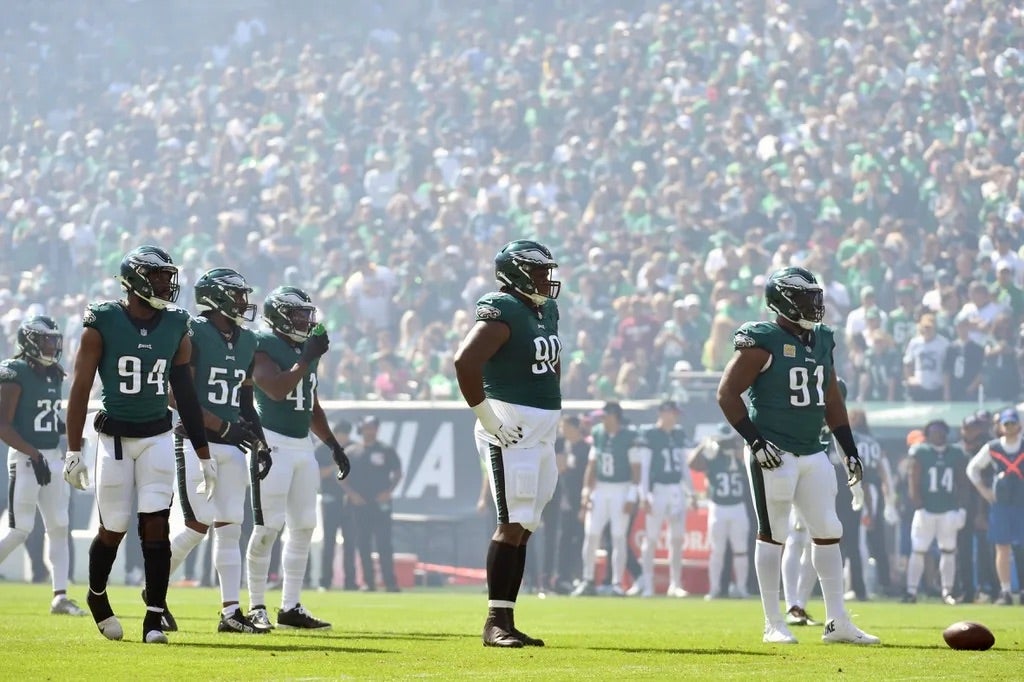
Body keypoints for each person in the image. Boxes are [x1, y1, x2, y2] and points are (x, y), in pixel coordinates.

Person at [716, 266, 879, 645]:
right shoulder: (762, 339)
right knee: (774, 534)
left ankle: (837, 621)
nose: (815, 305)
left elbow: (832, 398)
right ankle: (774, 622)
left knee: (829, 530)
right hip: (775, 450)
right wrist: (755, 443)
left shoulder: (821, 339)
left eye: (816, 297)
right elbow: (726, 393)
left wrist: (849, 449)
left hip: (813, 450)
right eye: (805, 298)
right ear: (783, 301)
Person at [63, 246, 214, 644]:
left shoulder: (178, 324)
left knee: (156, 526)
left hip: (158, 436)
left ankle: (153, 617)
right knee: (113, 528)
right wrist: (73, 448)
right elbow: (80, 388)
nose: (167, 282)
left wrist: (203, 451)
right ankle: (97, 597)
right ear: (133, 280)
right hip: (113, 437)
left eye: (169, 275)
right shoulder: (104, 320)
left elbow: (184, 391)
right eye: (157, 275)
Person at [453, 239, 562, 648]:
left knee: (527, 523)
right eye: (538, 271)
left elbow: (552, 362)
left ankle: (507, 619)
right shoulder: (504, 309)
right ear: (515, 272)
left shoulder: (544, 309)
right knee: (511, 522)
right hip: (510, 423)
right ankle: (495, 622)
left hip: (541, 425)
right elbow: (465, 361)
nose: (546, 279)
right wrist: (487, 418)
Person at [161, 268, 272, 634]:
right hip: (197, 441)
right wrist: (221, 426)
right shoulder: (193, 331)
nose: (243, 301)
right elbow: (178, 394)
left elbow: (244, 399)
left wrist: (260, 441)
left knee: (230, 528)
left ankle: (230, 613)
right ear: (216, 297)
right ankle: (154, 593)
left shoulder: (247, 340)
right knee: (196, 526)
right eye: (237, 295)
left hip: (231, 443)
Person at [246, 285, 350, 630]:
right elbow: (274, 389)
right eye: (298, 313)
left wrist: (332, 443)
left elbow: (310, 401)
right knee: (267, 527)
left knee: (304, 525)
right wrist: (306, 358)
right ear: (278, 316)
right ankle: (256, 606)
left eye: (308, 313)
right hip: (272, 441)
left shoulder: (306, 351)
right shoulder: (263, 344)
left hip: (302, 444)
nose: (306, 319)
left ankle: (290, 606)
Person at [0, 316, 86, 616]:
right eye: (46, 340)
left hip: (51, 457)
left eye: (54, 339)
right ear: (30, 341)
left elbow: (50, 422)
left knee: (59, 526)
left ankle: (60, 596)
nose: (52, 345)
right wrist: (33, 453)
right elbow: (3, 425)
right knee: (20, 529)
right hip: (26, 458)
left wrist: (75, 437)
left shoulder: (53, 374)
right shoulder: (15, 371)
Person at [571, 401, 641, 598]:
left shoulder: (629, 436)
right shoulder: (598, 433)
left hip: (621, 487)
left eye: (605, 415)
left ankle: (618, 582)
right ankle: (588, 579)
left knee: (619, 537)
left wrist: (632, 494)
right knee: (592, 534)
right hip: (601, 488)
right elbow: (592, 465)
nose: (601, 419)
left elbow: (636, 468)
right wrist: (586, 491)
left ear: (614, 416)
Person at [901, 419, 968, 605]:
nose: (937, 434)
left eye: (940, 431)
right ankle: (911, 591)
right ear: (928, 434)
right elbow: (913, 478)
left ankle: (947, 592)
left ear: (946, 434)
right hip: (926, 509)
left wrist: (961, 508)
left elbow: (962, 482)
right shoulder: (920, 452)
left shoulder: (956, 453)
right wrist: (918, 505)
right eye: (933, 431)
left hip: (948, 509)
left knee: (948, 551)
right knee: (918, 550)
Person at [634, 399, 693, 598]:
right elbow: (645, 467)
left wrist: (691, 491)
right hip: (657, 489)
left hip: (676, 489)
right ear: (664, 413)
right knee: (651, 538)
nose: (675, 418)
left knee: (676, 539)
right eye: (673, 413)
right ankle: (648, 584)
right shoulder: (650, 435)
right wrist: (644, 495)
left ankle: (675, 584)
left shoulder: (678, 434)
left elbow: (684, 466)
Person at [966, 408, 1024, 606]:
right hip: (1002, 504)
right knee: (1002, 547)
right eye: (1006, 424)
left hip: (1021, 502)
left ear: (1019, 425)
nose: (1009, 427)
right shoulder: (993, 448)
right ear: (1000, 427)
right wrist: (985, 491)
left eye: (1012, 423)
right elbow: (972, 469)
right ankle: (1005, 590)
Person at [341, 416, 403, 592]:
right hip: (360, 504)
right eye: (367, 427)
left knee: (384, 543)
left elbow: (398, 473)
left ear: (377, 429)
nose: (370, 431)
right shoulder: (352, 452)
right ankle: (369, 581)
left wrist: (388, 492)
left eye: (373, 427)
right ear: (362, 429)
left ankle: (390, 582)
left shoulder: (386, 450)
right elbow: (342, 477)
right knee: (363, 543)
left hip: (380, 503)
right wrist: (352, 495)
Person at [689, 424, 750, 602]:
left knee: (741, 550)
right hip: (718, 506)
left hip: (738, 505)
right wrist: (704, 444)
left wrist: (741, 448)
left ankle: (741, 588)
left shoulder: (741, 454)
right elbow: (692, 463)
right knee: (717, 551)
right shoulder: (713, 455)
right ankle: (714, 588)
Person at [318, 418, 354, 590]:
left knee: (350, 542)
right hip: (331, 499)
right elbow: (318, 473)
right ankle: (325, 580)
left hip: (349, 501)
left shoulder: (353, 449)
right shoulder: (323, 449)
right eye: (341, 434)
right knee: (329, 542)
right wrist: (335, 466)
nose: (344, 437)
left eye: (346, 434)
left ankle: (350, 581)